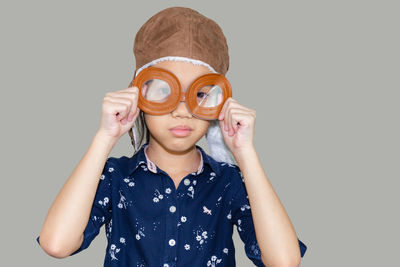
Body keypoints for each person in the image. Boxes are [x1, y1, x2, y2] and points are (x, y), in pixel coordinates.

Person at [35, 6, 307, 267]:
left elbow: (284, 261)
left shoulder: (228, 183)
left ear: (218, 102)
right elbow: (57, 244)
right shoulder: (115, 178)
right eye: (165, 91)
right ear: (138, 94)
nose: (182, 110)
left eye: (200, 94)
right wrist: (104, 137)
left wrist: (245, 153)